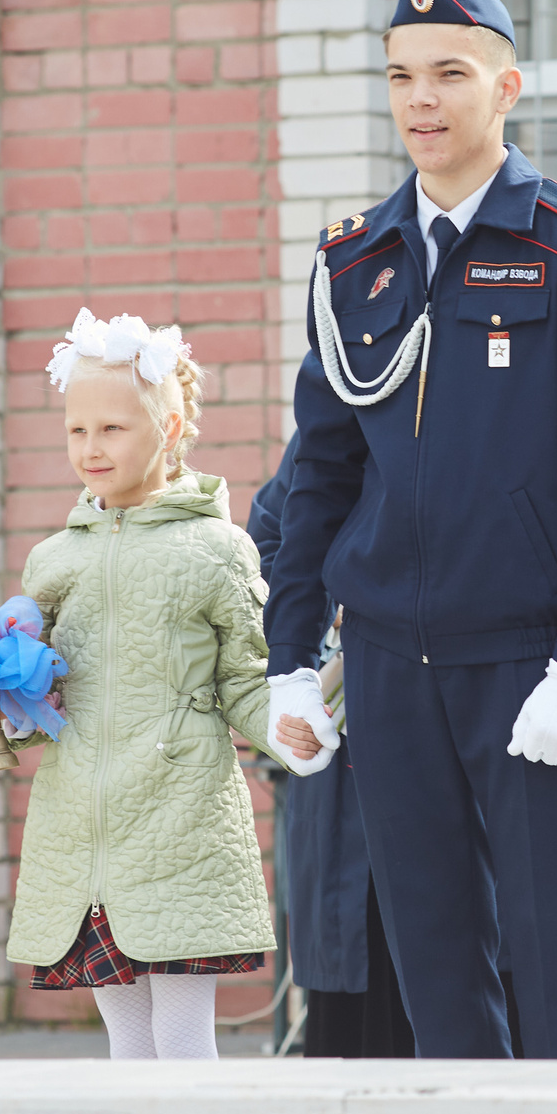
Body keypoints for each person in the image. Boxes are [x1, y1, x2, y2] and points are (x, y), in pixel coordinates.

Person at [262, 0, 557, 1061]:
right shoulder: (355, 262)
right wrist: (290, 658)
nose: (420, 101)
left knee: (554, 962)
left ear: (505, 86)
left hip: (529, 662)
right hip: (392, 665)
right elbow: (320, 472)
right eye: (400, 77)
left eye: (447, 73)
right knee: (431, 959)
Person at [0, 309, 329, 1061]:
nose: (91, 448)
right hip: (85, 830)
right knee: (126, 1037)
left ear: (168, 429)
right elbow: (47, 704)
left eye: (112, 429)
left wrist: (287, 726)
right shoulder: (53, 561)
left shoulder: (218, 550)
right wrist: (1, 704)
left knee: (181, 1030)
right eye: (77, 430)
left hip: (180, 821)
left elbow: (246, 679)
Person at [248, 428, 415, 1059]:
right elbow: (264, 552)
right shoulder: (345, 412)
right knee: (358, 972)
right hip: (347, 748)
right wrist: (323, 616)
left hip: (450, 712)